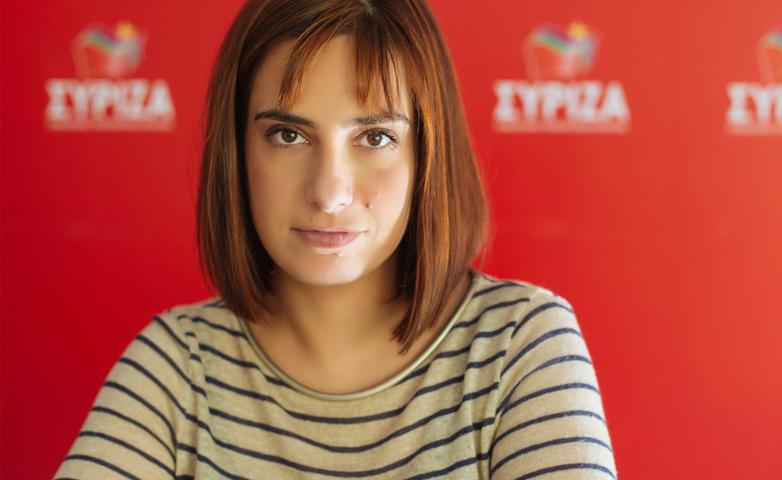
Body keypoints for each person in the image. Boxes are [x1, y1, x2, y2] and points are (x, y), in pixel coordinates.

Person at [53, 0, 617, 478]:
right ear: (236, 153)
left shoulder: (519, 345)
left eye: (375, 137)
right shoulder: (179, 363)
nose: (329, 193)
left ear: (427, 154)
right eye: (288, 135)